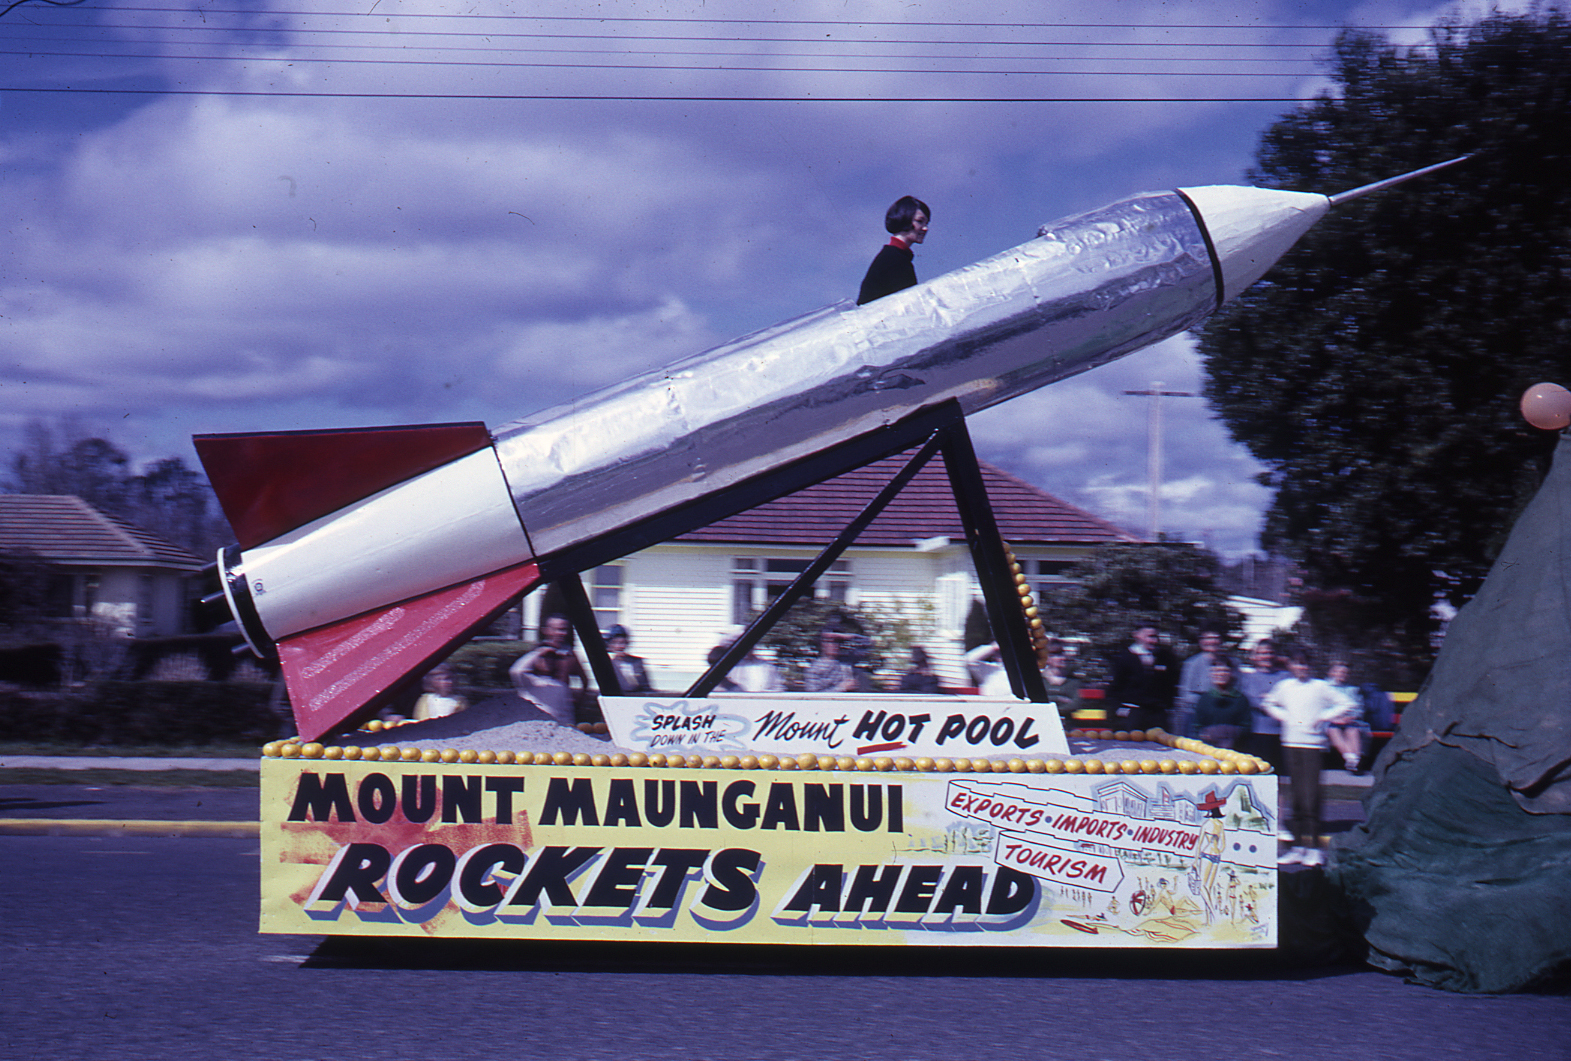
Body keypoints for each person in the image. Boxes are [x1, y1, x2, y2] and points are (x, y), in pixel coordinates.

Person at [1262, 646, 1357, 868]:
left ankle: (1314, 849)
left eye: (1304, 663)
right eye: (1296, 663)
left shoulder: (1320, 687)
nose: (1301, 667)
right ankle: (1297, 848)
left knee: (1311, 797)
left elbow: (1347, 703)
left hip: (1312, 746)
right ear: (1291, 666)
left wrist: (1323, 716)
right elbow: (1268, 703)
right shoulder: (1284, 686)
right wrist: (1283, 716)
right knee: (1295, 798)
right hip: (1290, 744)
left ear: (1310, 666)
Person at [509, 613, 590, 726]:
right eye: (558, 629)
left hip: (562, 714)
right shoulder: (532, 679)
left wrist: (577, 699)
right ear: (545, 630)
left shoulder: (569, 655)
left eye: (564, 630)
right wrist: (540, 653)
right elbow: (517, 671)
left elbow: (584, 680)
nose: (562, 633)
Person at [856, 195, 930, 305]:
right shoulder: (895, 260)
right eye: (920, 221)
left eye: (926, 223)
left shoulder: (892, 255)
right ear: (905, 219)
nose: (925, 228)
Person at [1104, 623, 1178, 732]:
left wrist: (1167, 708)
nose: (1154, 641)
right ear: (1136, 635)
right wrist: (1119, 710)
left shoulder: (1165, 657)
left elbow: (1171, 685)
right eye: (1150, 636)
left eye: (1156, 636)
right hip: (1132, 714)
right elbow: (1114, 688)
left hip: (1158, 714)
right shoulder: (1124, 658)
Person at [1238, 638, 1289, 773]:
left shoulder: (1285, 677)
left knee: (1280, 778)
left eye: (1270, 652)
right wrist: (1273, 700)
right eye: (1262, 653)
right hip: (1256, 733)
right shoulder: (1247, 677)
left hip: (1282, 734)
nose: (1266, 656)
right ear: (1255, 656)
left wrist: (1266, 700)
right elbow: (1250, 700)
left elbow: (1288, 701)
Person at [1175, 628, 1226, 737]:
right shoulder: (1192, 663)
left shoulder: (1229, 663)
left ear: (1221, 641)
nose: (1212, 641)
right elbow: (1186, 695)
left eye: (1216, 638)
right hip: (1195, 716)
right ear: (1201, 641)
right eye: (1208, 638)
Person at [1324, 659, 1370, 774]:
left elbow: (1359, 708)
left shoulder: (1352, 689)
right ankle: (1354, 761)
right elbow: (1322, 707)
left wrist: (1350, 717)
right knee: (1333, 730)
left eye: (1345, 673)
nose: (1342, 675)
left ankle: (1353, 761)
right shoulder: (1324, 687)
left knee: (1353, 730)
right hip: (1330, 721)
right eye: (1339, 672)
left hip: (1349, 720)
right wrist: (1334, 718)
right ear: (1332, 673)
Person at [1192, 661, 1249, 748]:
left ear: (1232, 674)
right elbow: (1197, 727)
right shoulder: (1204, 699)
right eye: (1216, 671)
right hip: (1208, 749)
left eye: (1225, 671)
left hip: (1234, 750)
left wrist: (1227, 732)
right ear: (1211, 675)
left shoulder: (1241, 699)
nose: (1221, 674)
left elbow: (1246, 727)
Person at [804, 628, 858, 692]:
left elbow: (866, 642)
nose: (833, 645)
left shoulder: (845, 663)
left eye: (837, 641)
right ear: (822, 644)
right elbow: (813, 696)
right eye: (828, 641)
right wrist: (841, 688)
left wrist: (846, 636)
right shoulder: (814, 668)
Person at [605, 624, 654, 694]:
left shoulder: (637, 662)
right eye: (615, 643)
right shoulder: (608, 665)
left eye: (622, 643)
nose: (619, 647)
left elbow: (646, 687)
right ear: (610, 645)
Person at [1041, 645, 1084, 719]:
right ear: (1047, 659)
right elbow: (1038, 701)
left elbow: (1075, 704)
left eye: (1063, 655)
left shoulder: (1074, 681)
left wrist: (1051, 702)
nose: (1063, 658)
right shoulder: (1040, 680)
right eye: (1056, 655)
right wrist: (1059, 698)